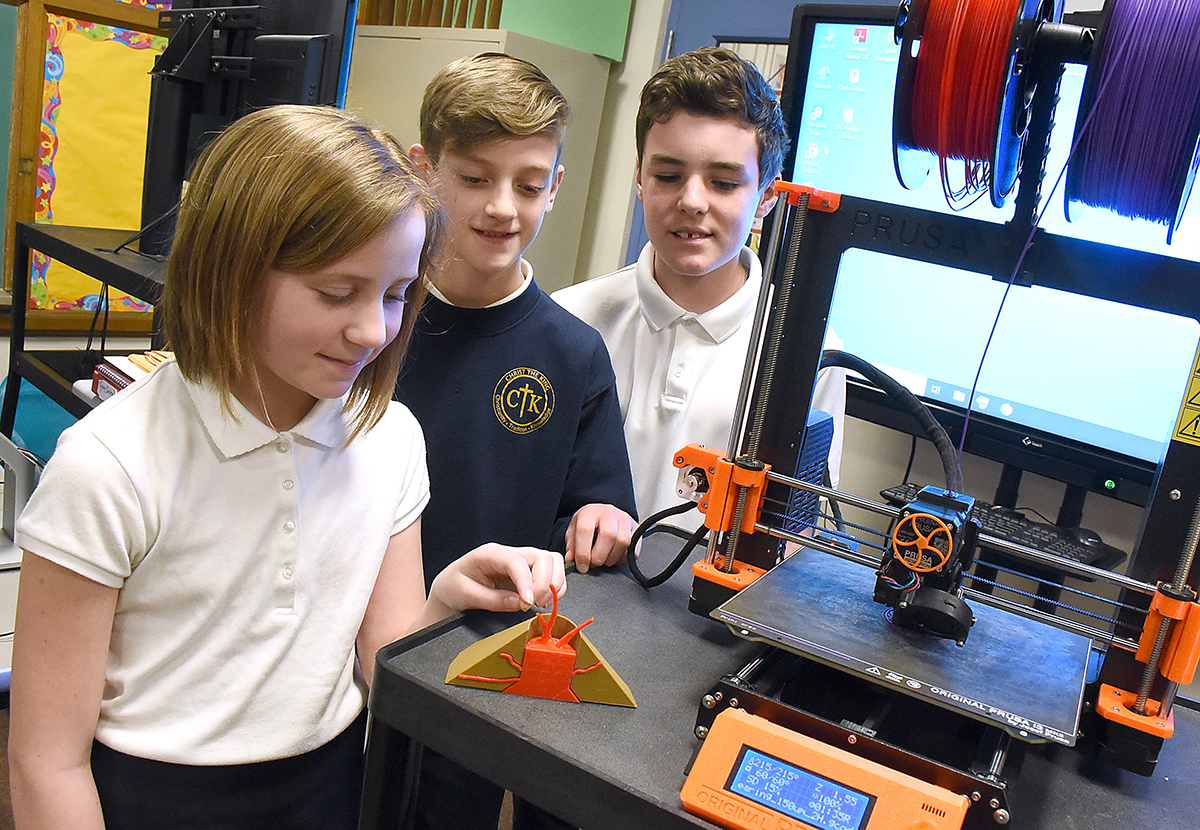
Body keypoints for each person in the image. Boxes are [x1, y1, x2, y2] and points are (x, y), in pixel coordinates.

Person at [7, 105, 565, 830]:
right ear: (231, 271)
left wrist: (444, 605)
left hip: (328, 788)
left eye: (397, 295)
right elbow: (45, 762)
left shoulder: (390, 437)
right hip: (153, 798)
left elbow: (381, 659)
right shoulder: (111, 464)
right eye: (338, 293)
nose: (373, 330)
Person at [394, 53, 636, 830]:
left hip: (476, 677)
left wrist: (600, 521)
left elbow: (595, 514)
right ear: (423, 167)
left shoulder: (573, 355)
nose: (504, 207)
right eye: (474, 178)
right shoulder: (373, 320)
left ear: (557, 186)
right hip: (346, 656)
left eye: (530, 185)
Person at [554, 47, 846, 525]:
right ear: (640, 178)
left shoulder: (807, 355)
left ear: (767, 196)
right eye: (669, 175)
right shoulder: (569, 321)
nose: (692, 201)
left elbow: (801, 536)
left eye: (724, 183)